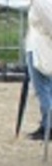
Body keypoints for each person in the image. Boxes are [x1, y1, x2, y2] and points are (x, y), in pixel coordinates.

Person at [26, 0, 52, 140]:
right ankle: (45, 123)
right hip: (38, 46)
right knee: (44, 89)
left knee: (43, 89)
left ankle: (49, 125)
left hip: (40, 48)